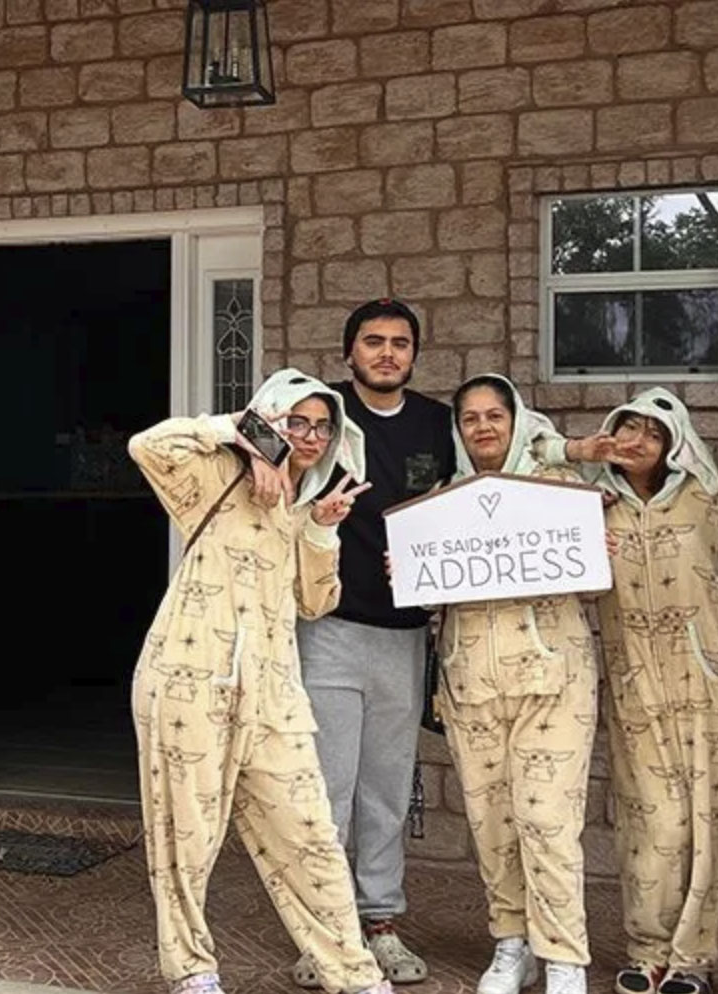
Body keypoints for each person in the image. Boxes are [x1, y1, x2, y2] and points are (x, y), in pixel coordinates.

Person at [128, 368, 391, 994]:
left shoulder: (303, 508)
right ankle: (192, 971)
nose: (311, 436)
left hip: (274, 697)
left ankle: (354, 975)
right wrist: (243, 436)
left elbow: (316, 602)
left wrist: (322, 528)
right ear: (270, 415)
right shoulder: (214, 478)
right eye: (297, 421)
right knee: (186, 838)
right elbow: (147, 446)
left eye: (322, 427)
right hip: (190, 679)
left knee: (311, 836)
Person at [292, 298, 455, 988]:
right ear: (349, 351)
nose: (387, 353)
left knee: (386, 789)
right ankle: (324, 934)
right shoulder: (319, 413)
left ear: (414, 353)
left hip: (405, 634)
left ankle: (380, 921)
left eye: (400, 342)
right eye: (373, 341)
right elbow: (248, 445)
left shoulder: (438, 423)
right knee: (326, 789)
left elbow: (480, 486)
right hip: (328, 627)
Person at [563, 389, 718, 994]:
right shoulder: (591, 506)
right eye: (628, 428)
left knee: (710, 827)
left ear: (673, 444)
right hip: (636, 687)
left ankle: (694, 958)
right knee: (651, 824)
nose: (636, 441)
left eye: (653, 432)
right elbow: (576, 584)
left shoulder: (709, 499)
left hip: (710, 685)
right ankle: (648, 950)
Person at [435, 373, 599, 994]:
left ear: (516, 420)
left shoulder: (557, 488)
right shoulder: (442, 502)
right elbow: (428, 591)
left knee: (548, 819)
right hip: (472, 680)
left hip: (552, 678)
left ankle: (563, 956)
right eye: (470, 418)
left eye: (494, 415)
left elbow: (590, 571)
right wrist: (408, 569)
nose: (483, 427)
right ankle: (512, 943)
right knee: (491, 820)